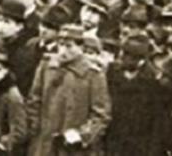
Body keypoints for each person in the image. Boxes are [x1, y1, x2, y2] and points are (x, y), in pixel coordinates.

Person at [26, 25, 110, 156]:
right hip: (44, 143)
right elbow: (34, 99)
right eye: (60, 45)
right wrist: (36, 126)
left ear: (81, 47)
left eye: (69, 46)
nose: (63, 51)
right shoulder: (46, 66)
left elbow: (100, 115)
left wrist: (82, 135)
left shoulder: (93, 74)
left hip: (74, 148)